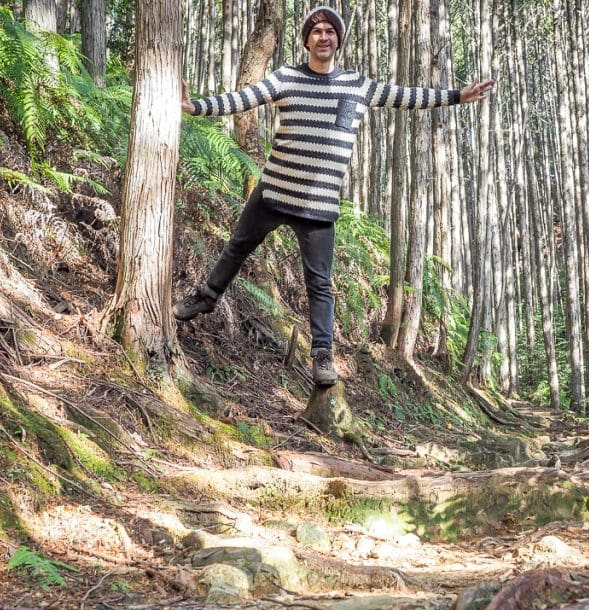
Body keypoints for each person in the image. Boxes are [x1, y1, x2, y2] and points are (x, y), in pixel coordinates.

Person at [175, 6, 494, 386]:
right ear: (307, 39)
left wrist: (458, 95)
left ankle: (322, 356)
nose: (323, 36)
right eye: (316, 31)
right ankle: (206, 298)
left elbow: (409, 97)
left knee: (319, 283)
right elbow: (244, 99)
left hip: (319, 205)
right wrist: (196, 107)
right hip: (274, 190)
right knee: (236, 248)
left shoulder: (357, 85)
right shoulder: (287, 78)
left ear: (338, 40)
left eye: (330, 31)